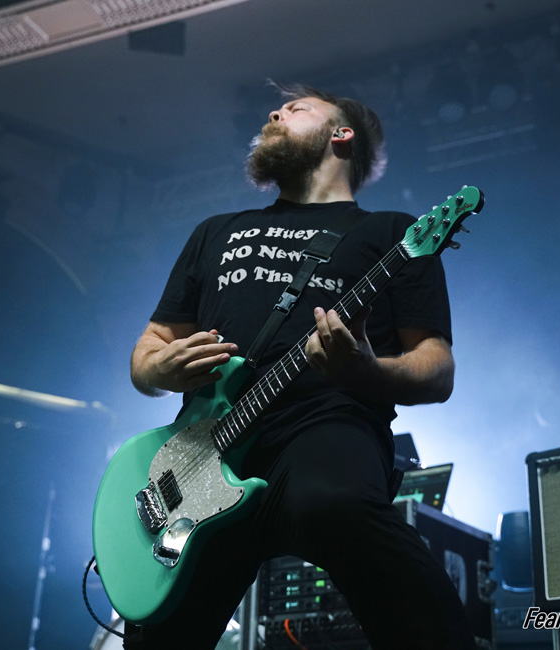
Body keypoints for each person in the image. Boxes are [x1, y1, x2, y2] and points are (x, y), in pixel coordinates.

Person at [126, 81, 474, 650]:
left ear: (342, 134)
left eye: (296, 108)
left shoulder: (393, 235)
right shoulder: (215, 231)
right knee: (161, 633)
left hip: (324, 424)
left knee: (335, 504)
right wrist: (159, 368)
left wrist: (364, 371)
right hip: (204, 452)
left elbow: (437, 370)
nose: (274, 112)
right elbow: (149, 349)